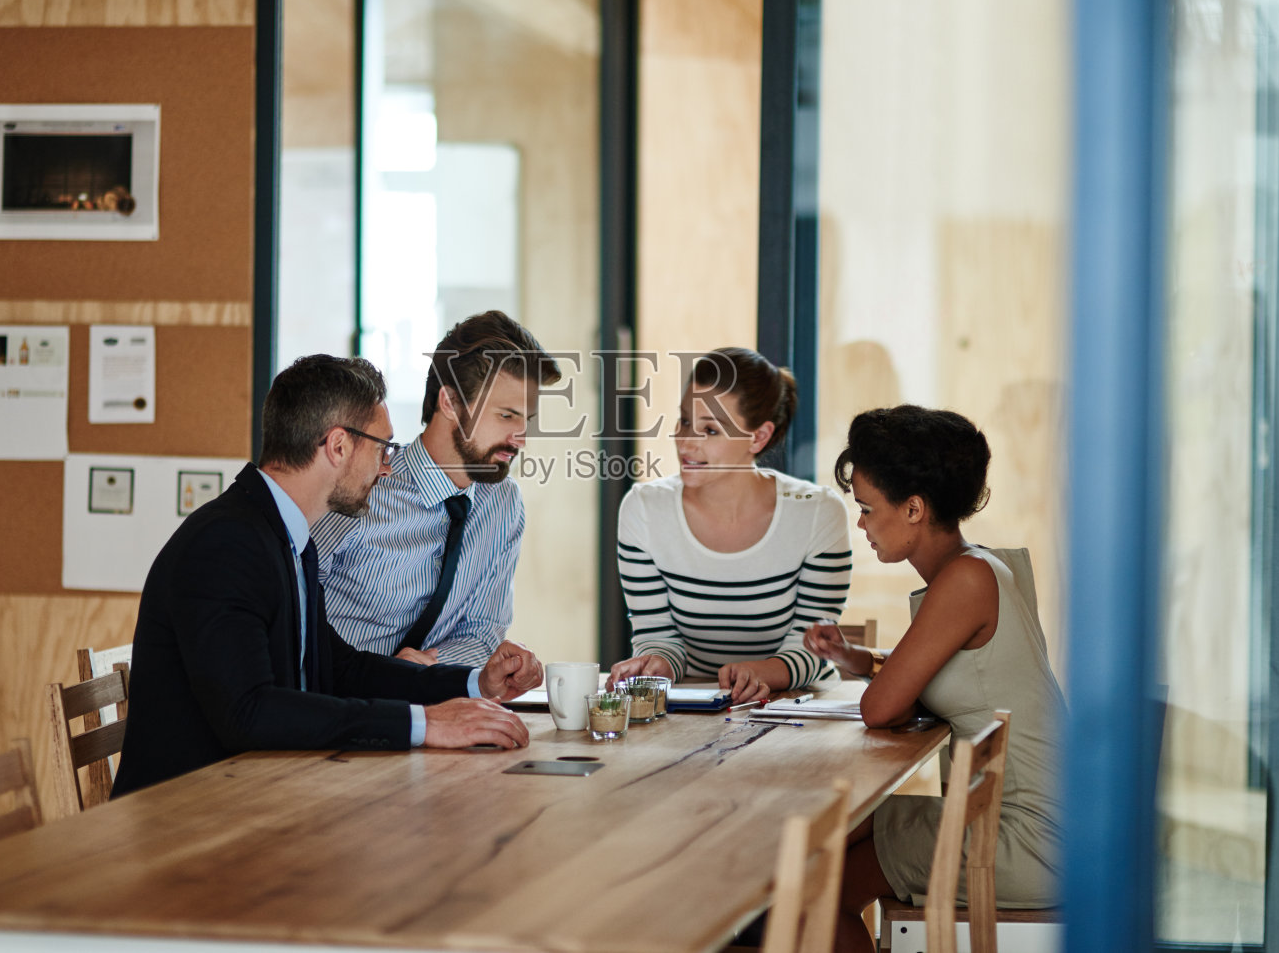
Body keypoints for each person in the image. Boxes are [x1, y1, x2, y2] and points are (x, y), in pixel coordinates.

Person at [112, 354, 542, 797]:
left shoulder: (285, 537)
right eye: (382, 448)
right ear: (338, 446)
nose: (387, 467)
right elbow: (250, 712)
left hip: (263, 795)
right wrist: (423, 723)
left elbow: (343, 669)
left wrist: (473, 683)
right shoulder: (226, 544)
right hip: (188, 821)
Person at [802, 405, 1065, 953]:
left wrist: (876, 677)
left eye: (869, 509)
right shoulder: (983, 566)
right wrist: (860, 658)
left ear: (915, 509)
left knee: (813, 891)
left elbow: (879, 709)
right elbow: (954, 669)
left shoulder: (965, 580)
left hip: (1030, 839)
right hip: (1029, 821)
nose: (862, 524)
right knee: (817, 843)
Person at [311, 311, 561, 666]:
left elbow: (482, 631)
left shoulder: (503, 503)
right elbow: (291, 610)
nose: (521, 437)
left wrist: (429, 665)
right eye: (506, 416)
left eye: (527, 420)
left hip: (430, 710)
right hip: (337, 705)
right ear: (450, 403)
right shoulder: (362, 487)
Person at [607, 347, 852, 701]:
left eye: (710, 429)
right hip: (691, 708)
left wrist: (761, 672)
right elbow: (658, 634)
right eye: (685, 421)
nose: (686, 441)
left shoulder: (816, 512)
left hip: (796, 709)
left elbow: (815, 644)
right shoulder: (644, 509)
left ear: (758, 436)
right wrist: (656, 662)